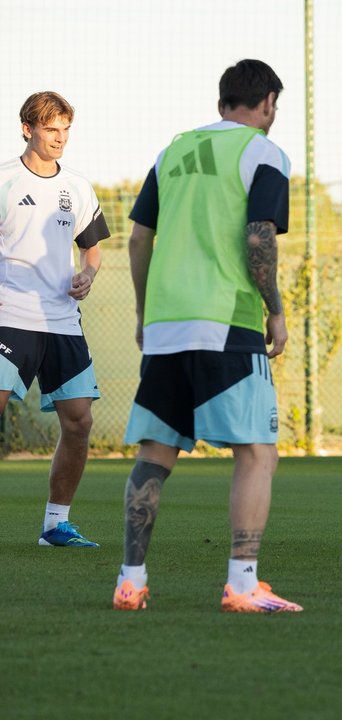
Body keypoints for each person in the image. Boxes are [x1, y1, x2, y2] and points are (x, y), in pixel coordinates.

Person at [112, 59, 301, 612]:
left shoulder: (170, 152)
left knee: (155, 453)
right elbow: (259, 236)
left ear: (221, 103)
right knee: (257, 453)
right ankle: (242, 585)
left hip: (166, 323)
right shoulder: (265, 152)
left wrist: (145, 313)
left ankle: (130, 581)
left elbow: (138, 240)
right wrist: (275, 311)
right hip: (227, 319)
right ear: (268, 103)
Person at [0, 91, 110, 547]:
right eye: (51, 129)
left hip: (62, 321)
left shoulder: (78, 187)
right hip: (9, 315)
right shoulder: (5, 180)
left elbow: (92, 249)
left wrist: (88, 275)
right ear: (27, 129)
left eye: (65, 129)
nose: (60, 138)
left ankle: (55, 525)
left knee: (79, 421)